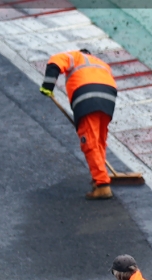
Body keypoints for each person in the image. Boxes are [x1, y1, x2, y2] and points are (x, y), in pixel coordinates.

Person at [40, 48, 117, 200]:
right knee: (99, 140)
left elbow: (55, 61)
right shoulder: (101, 63)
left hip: (87, 95)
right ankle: (100, 177)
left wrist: (47, 86)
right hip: (109, 97)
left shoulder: (74, 56)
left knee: (89, 140)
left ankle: (102, 184)